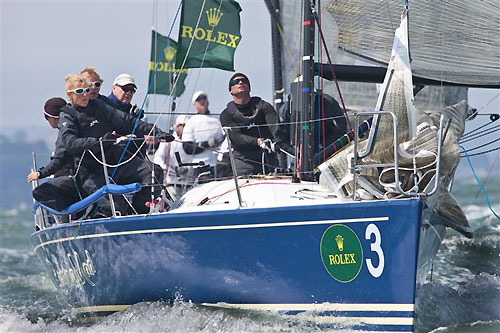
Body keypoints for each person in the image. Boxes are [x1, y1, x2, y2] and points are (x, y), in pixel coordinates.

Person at [58, 74, 173, 216]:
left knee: (154, 172)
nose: (85, 95)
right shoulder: (67, 115)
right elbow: (70, 143)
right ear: (70, 95)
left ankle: (139, 214)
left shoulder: (98, 106)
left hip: (114, 161)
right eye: (80, 91)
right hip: (90, 171)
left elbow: (127, 121)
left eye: (87, 90)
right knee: (116, 207)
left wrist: (157, 132)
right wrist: (99, 141)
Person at [27, 98, 85, 214]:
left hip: (74, 179)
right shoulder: (79, 125)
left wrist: (40, 174)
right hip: (85, 175)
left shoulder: (65, 133)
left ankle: (73, 214)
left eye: (46, 117)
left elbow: (58, 161)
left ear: (53, 117)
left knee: (39, 192)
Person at [218, 73, 279, 177]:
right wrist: (258, 141)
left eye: (244, 81)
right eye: (236, 82)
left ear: (249, 88)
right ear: (231, 91)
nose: (240, 82)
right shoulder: (226, 114)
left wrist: (278, 142)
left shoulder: (264, 107)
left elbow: (276, 129)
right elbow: (236, 137)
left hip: (267, 157)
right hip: (244, 161)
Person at [181, 91, 224, 181]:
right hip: (199, 166)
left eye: (204, 98)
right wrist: (207, 144)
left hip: (217, 165)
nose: (202, 101)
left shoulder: (216, 120)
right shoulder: (191, 122)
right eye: (199, 99)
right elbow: (187, 148)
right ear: (194, 104)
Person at [154, 114, 190, 199]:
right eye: (183, 125)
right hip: (171, 182)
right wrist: (166, 169)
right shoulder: (169, 140)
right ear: (177, 126)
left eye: (187, 126)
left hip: (189, 182)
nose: (185, 128)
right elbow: (158, 157)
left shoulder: (192, 141)